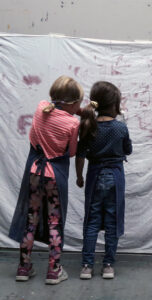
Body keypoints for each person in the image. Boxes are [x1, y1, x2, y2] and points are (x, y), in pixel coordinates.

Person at [9, 75, 83, 285]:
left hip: (34, 172)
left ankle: (23, 268)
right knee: (54, 222)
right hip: (54, 177)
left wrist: (68, 106)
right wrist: (74, 114)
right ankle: (54, 270)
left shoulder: (41, 108)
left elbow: (33, 136)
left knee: (30, 220)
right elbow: (70, 153)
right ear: (74, 103)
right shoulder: (73, 123)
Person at [76, 81, 132, 280]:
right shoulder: (120, 128)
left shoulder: (88, 126)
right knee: (112, 221)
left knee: (91, 222)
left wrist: (79, 177)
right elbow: (128, 150)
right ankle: (108, 265)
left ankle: (86, 266)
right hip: (115, 178)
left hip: (94, 176)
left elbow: (80, 154)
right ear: (115, 105)